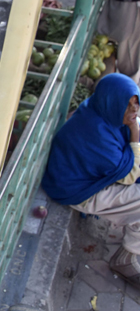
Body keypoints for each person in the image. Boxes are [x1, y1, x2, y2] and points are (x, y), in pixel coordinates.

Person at [41, 73, 140, 286]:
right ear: (113, 102)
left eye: (136, 104)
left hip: (86, 175)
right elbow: (131, 175)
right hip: (78, 191)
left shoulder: (101, 110)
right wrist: (134, 133)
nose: (134, 111)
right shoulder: (97, 133)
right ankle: (126, 258)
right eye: (128, 106)